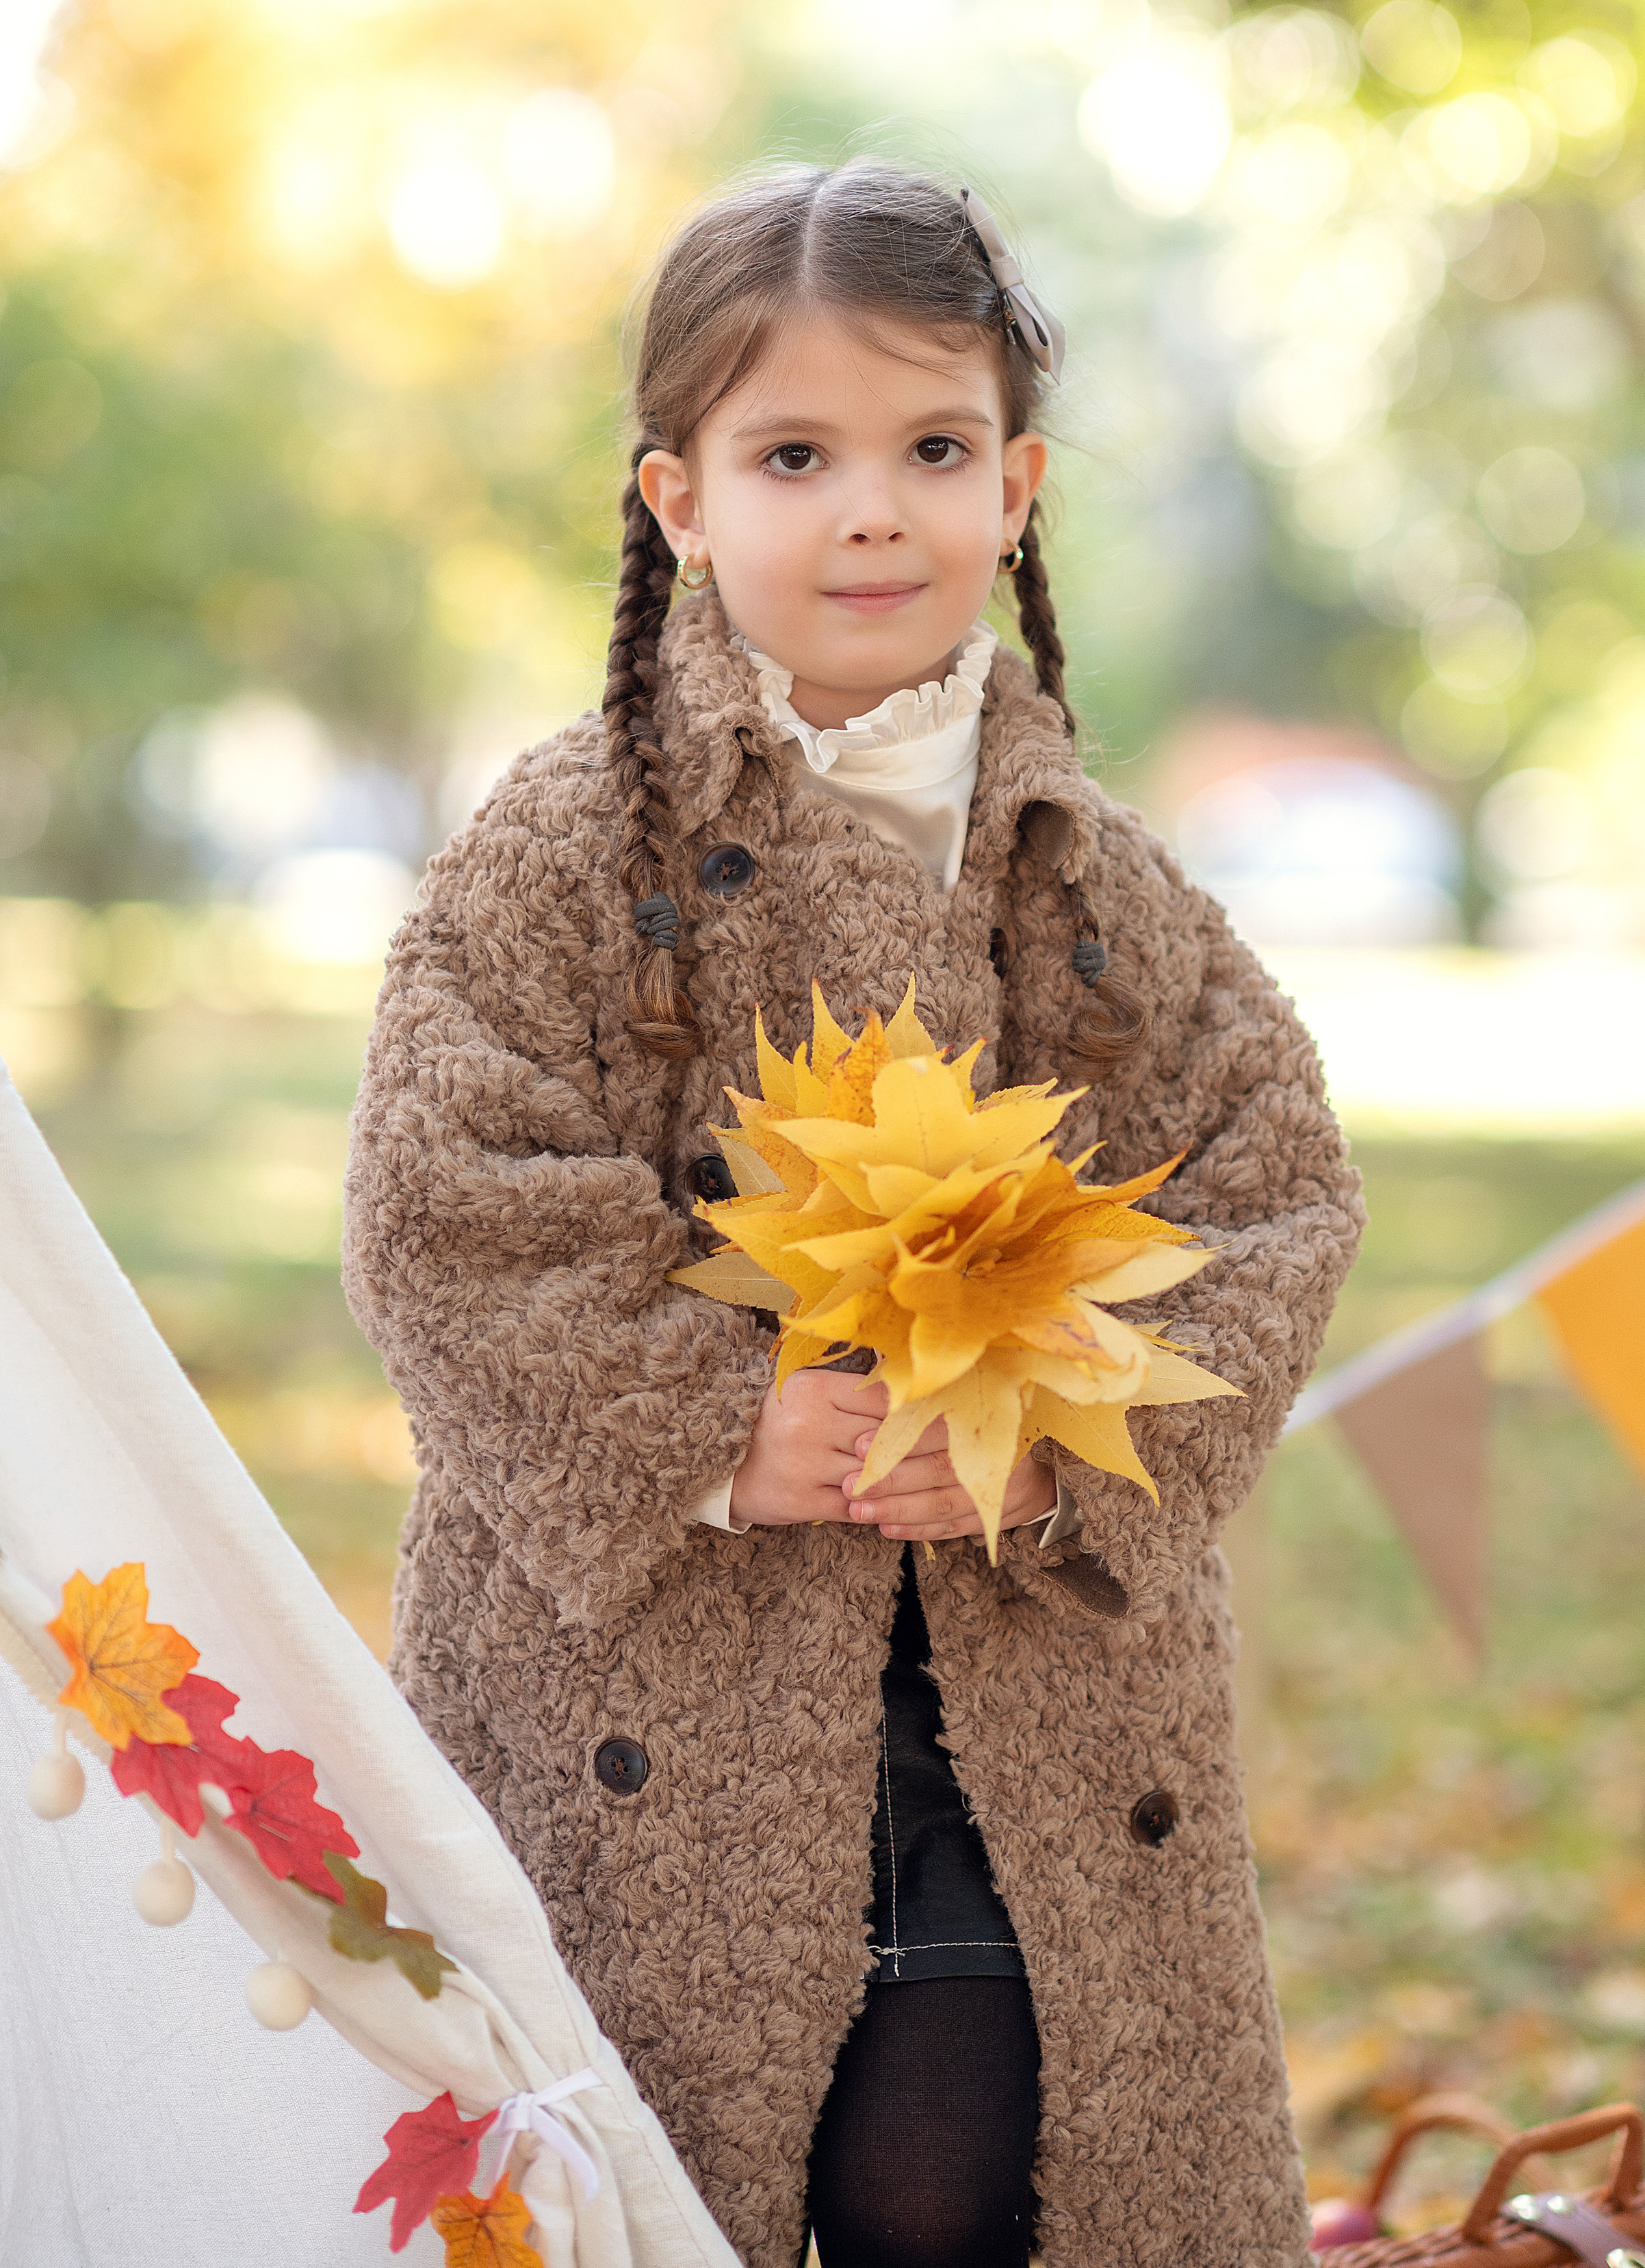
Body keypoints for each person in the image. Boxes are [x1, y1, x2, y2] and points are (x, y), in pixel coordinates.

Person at [342, 160, 1364, 2268]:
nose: (872, 510)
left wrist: (1068, 1425)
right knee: (666, 2171)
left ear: (1019, 486)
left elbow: (1273, 1184)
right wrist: (710, 1425)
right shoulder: (573, 848)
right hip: (665, 1681)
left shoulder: (1088, 867)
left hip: (1025, 1676)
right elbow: (448, 1196)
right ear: (678, 499)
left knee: (975, 2170)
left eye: (932, 448)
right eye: (794, 454)